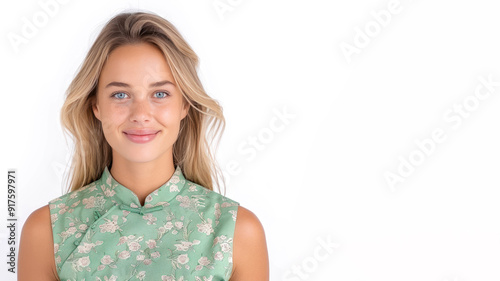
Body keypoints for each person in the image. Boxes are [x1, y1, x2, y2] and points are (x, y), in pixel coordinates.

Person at [18, 10, 269, 281]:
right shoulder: (45, 232)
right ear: (96, 106)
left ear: (184, 104)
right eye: (120, 94)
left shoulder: (237, 232)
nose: (140, 113)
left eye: (160, 93)